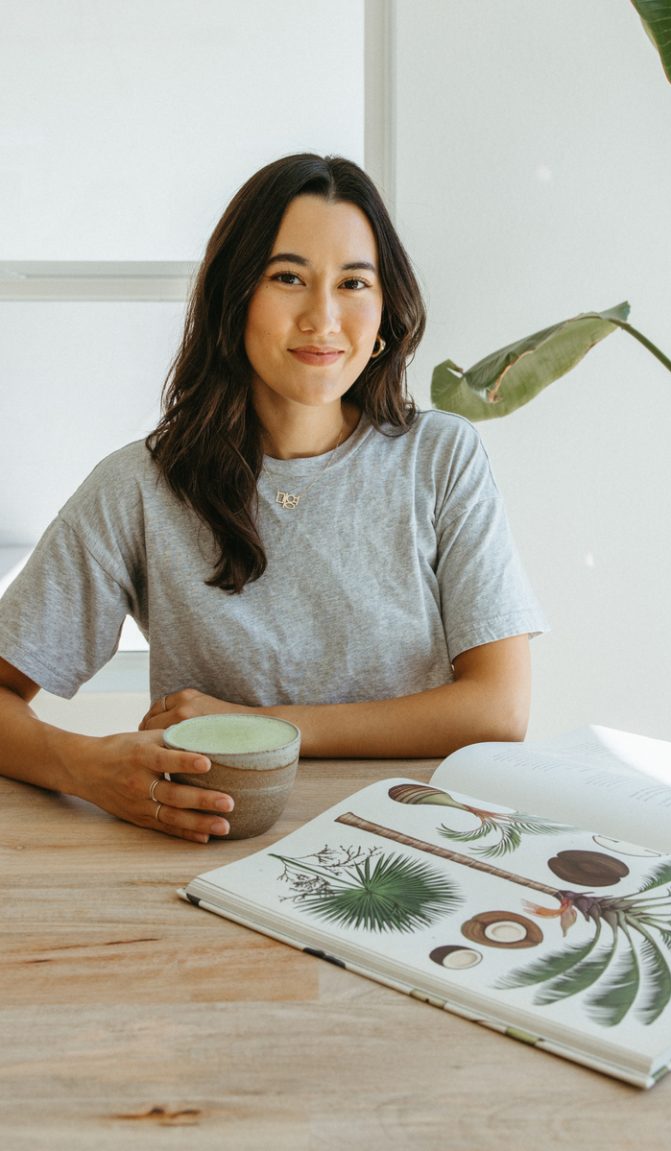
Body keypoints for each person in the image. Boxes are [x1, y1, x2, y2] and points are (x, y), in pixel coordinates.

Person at [0, 153, 547, 843]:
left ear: (383, 315)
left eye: (353, 282)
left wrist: (270, 727)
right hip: (211, 854)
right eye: (288, 277)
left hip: (425, 846)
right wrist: (87, 766)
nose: (323, 316)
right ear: (236, 299)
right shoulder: (138, 486)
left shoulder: (441, 458)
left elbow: (498, 708)